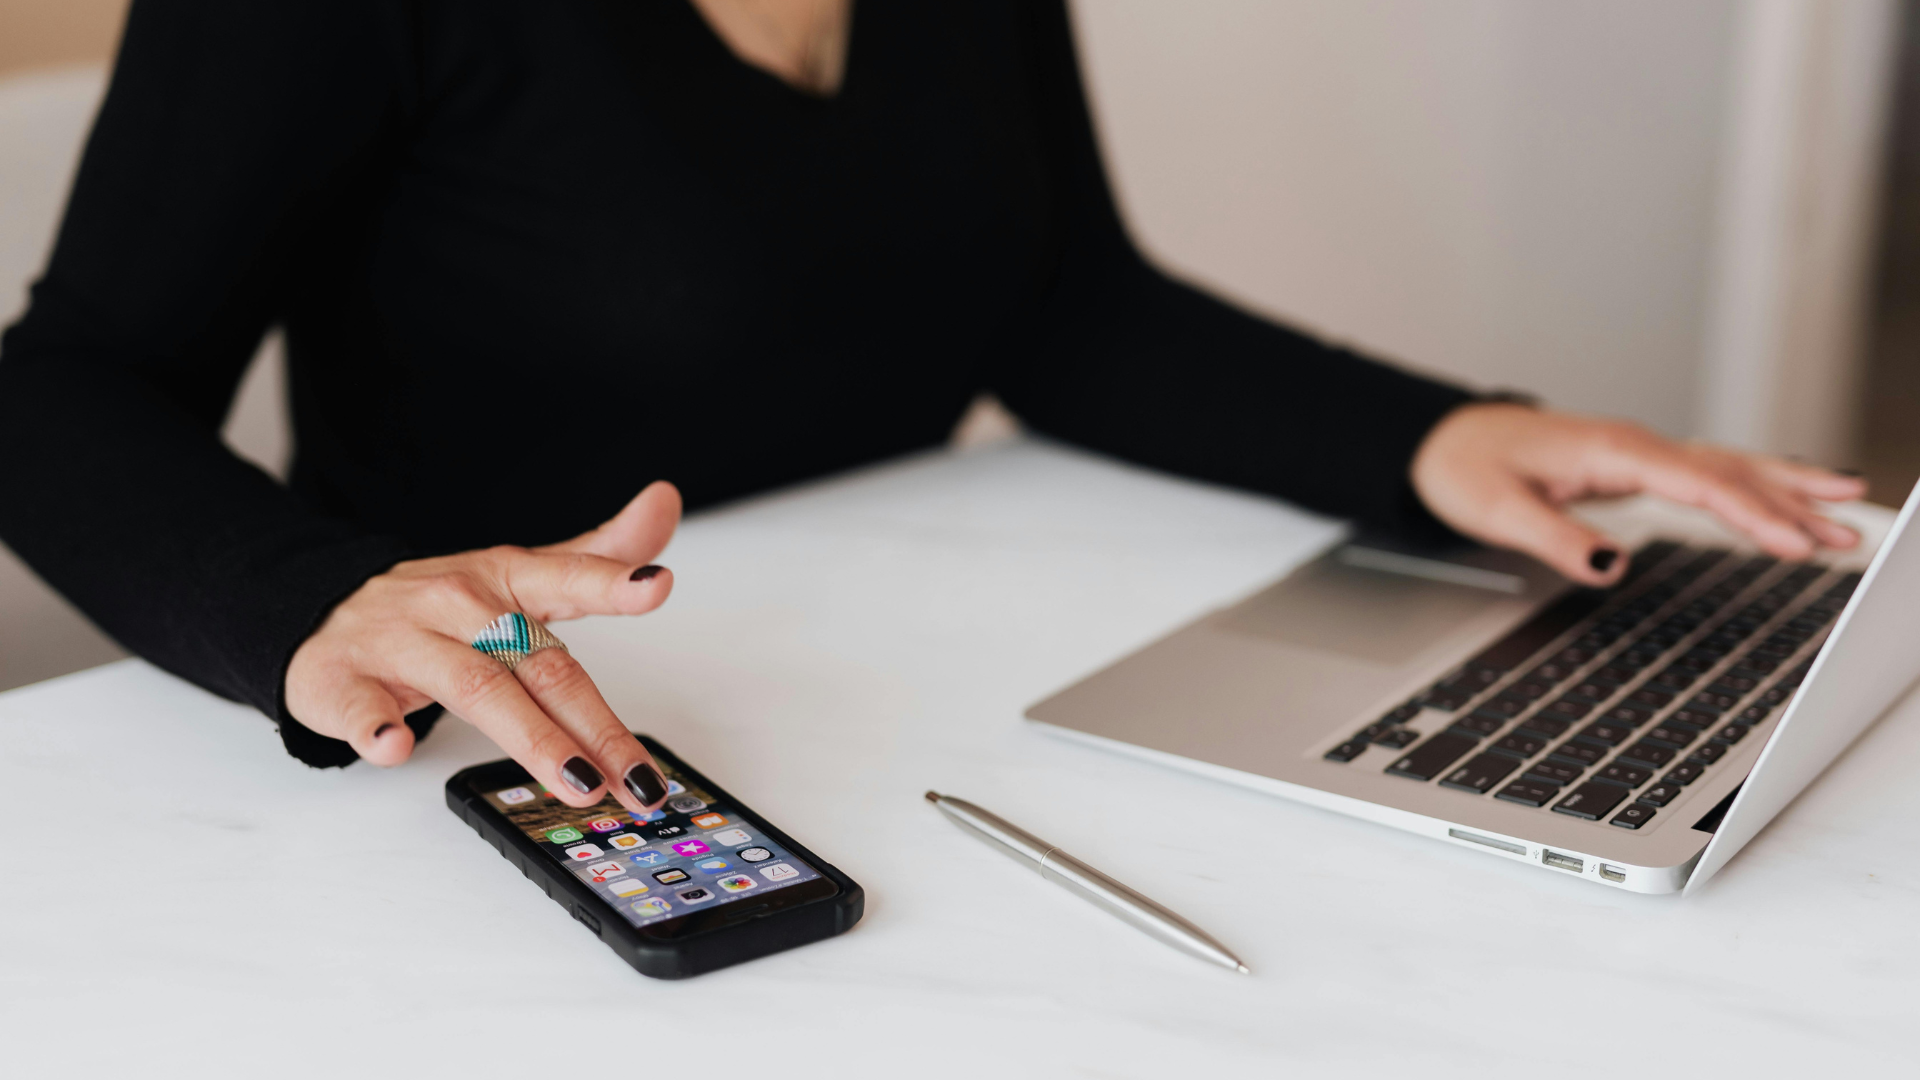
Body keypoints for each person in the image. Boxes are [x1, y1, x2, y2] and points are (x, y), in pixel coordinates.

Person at [0, 0, 1864, 823]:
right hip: (527, 764)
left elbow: (1056, 301)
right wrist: (305, 603)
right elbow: (61, 389)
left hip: (937, 715)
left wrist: (1435, 441)